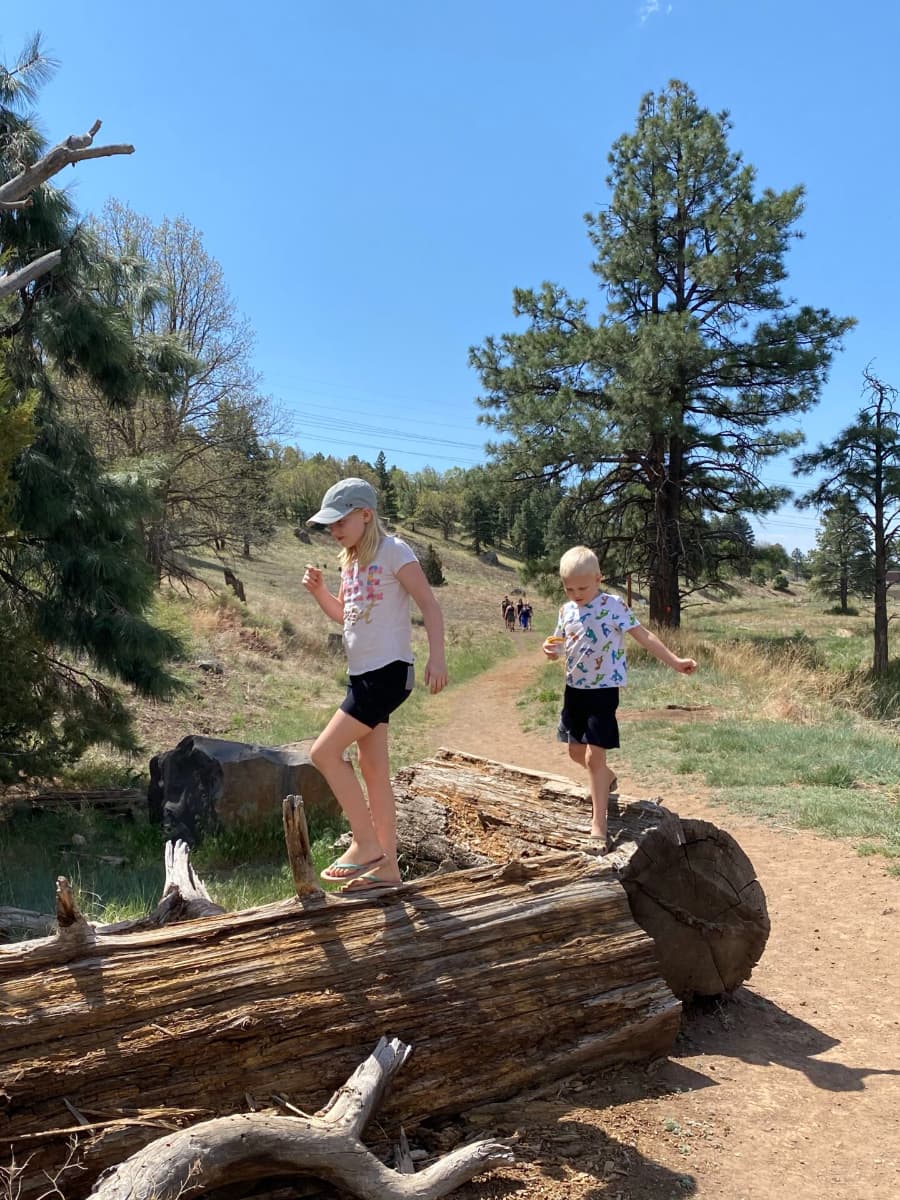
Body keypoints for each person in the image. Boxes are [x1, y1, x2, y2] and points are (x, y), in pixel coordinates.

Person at [302, 477, 448, 893]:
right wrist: (319, 593)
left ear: (366, 514)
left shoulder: (393, 551)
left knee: (324, 752)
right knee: (373, 768)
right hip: (362, 674)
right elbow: (345, 616)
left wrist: (437, 658)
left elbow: (430, 607)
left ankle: (365, 844)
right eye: (329, 524)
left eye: (340, 521)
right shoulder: (349, 562)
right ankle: (387, 869)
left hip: (387, 673)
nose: (334, 530)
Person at [542, 545, 697, 850]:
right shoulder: (566, 610)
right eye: (569, 588)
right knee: (576, 753)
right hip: (574, 690)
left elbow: (645, 637)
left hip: (603, 691)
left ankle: (599, 826)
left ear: (598, 579)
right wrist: (549, 650)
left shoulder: (613, 606)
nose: (576, 593)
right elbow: (558, 646)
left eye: (582, 587)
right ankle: (607, 779)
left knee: (593, 757)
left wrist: (675, 661)